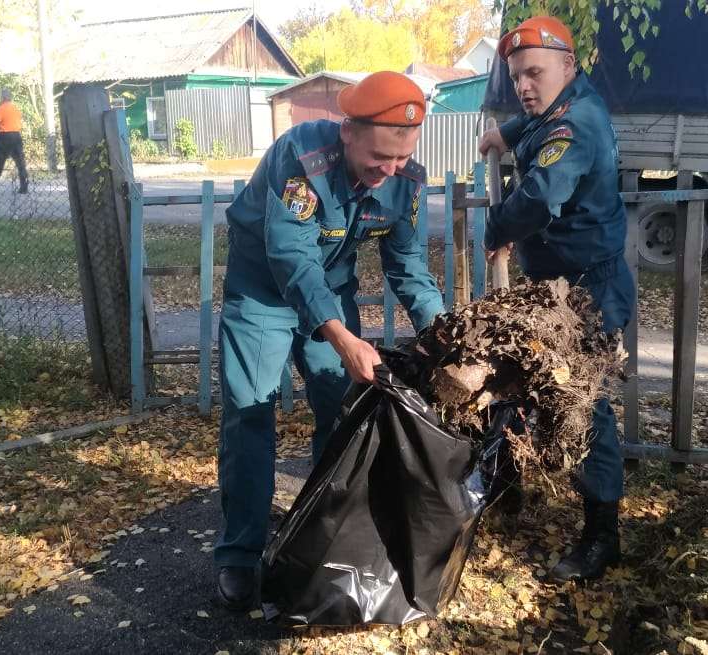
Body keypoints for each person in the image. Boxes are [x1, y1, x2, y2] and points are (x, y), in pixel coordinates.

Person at [214, 71, 445, 609]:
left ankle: (318, 538)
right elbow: (291, 256)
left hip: (332, 290)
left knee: (341, 411)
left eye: (398, 160)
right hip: (263, 291)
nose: (387, 173)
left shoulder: (404, 178)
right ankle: (239, 555)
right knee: (250, 412)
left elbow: (408, 263)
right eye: (377, 160)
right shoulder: (301, 159)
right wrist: (342, 337)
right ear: (347, 132)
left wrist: (441, 330)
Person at [478, 15, 635, 582]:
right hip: (556, 289)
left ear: (568, 66)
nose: (524, 85)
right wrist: (509, 131)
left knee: (582, 405)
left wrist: (498, 226)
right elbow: (543, 120)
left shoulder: (577, 126)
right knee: (525, 382)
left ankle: (602, 537)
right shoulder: (567, 106)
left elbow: (541, 194)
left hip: (589, 293)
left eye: (535, 73)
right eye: (517, 76)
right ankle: (509, 491)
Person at [0, 88, 29, 194]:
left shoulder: (0, 109)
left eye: (0, 96)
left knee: (0, 162)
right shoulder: (16, 109)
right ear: (10, 97)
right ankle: (24, 186)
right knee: (20, 163)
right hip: (16, 136)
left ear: (3, 97)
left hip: (4, 137)